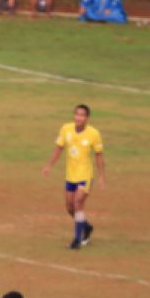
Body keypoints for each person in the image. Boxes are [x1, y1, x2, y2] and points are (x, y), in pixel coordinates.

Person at [41, 104, 105, 249]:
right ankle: (86, 227)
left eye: (82, 115)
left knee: (78, 203)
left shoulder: (93, 134)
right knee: (70, 208)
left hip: (85, 175)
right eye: (76, 114)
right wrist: (49, 166)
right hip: (71, 175)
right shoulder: (66, 129)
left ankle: (77, 240)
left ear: (87, 118)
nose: (78, 117)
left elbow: (99, 156)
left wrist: (101, 176)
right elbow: (59, 149)